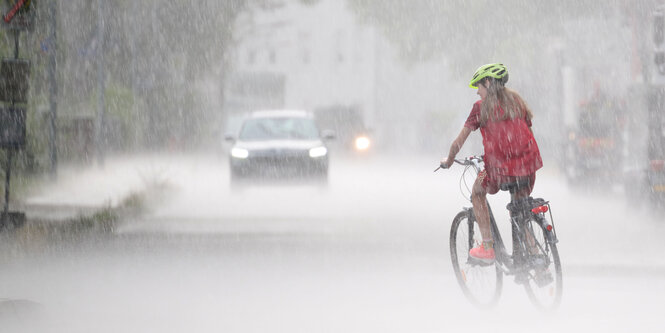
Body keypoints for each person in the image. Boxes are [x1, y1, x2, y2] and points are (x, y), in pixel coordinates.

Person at [440, 63, 543, 263]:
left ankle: (487, 247)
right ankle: (537, 261)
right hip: (527, 166)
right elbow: (525, 128)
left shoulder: (480, 108)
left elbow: (458, 142)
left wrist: (449, 160)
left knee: (477, 193)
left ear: (488, 82)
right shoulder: (516, 100)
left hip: (497, 169)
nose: (477, 92)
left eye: (478, 86)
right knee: (520, 210)